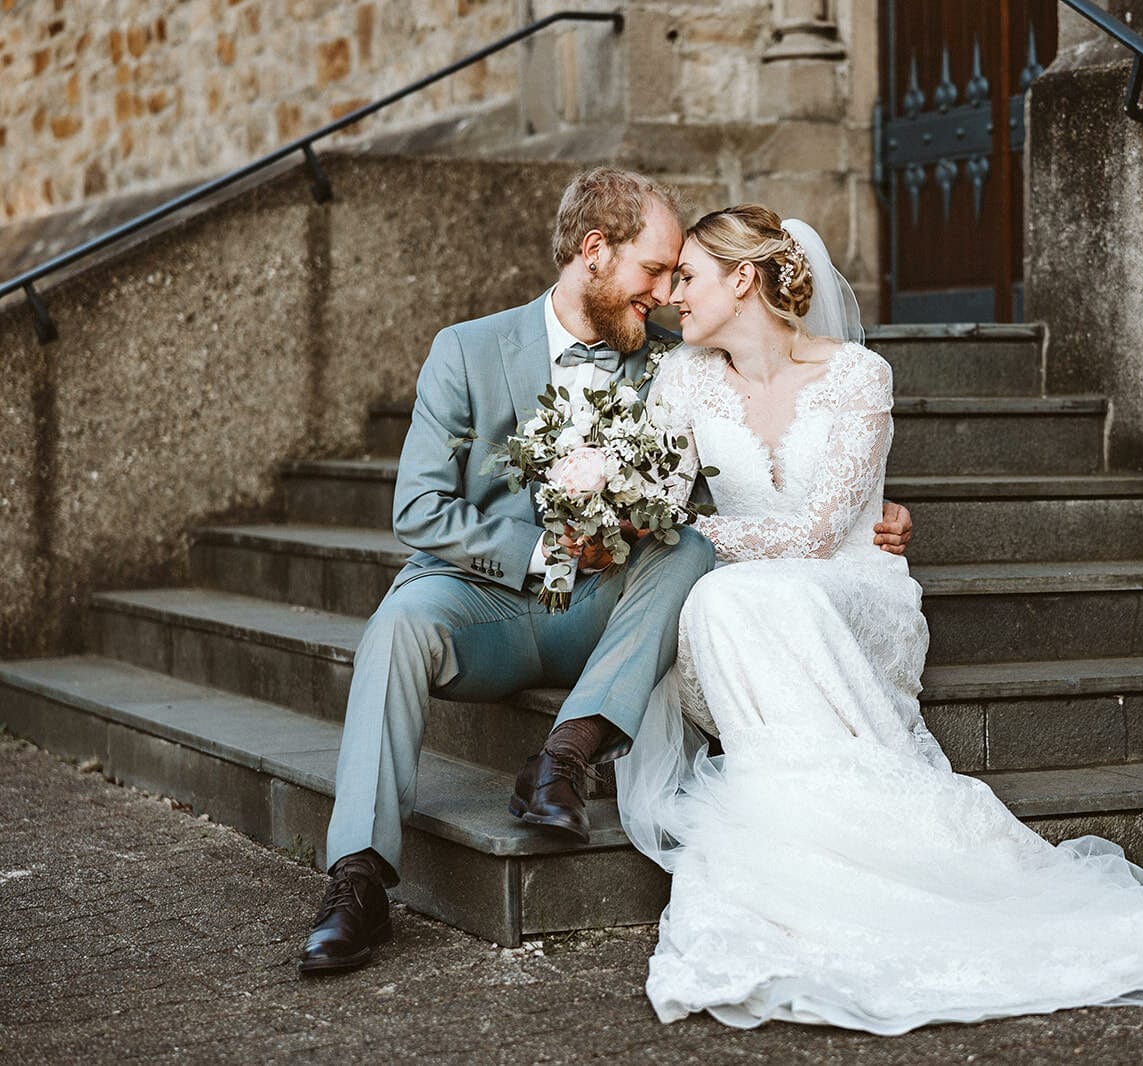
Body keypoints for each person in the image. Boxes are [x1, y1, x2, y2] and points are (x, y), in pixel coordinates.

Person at [616, 204, 1143, 1032]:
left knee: (744, 592)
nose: (672, 296)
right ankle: (809, 827)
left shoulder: (857, 376)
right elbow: (649, 507)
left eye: (687, 276)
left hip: (849, 586)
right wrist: (637, 516)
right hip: (752, 601)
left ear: (743, 279)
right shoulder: (682, 377)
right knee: (732, 595)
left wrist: (690, 531)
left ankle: (836, 842)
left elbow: (817, 534)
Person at [297, 170, 916, 975]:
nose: (664, 295)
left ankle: (565, 757)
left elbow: (743, 468)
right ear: (594, 251)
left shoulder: (675, 359)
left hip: (613, 608)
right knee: (396, 626)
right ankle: (357, 878)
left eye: (676, 277)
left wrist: (873, 507)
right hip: (484, 600)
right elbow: (418, 510)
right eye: (654, 271)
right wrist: (542, 553)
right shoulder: (467, 351)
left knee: (685, 549)